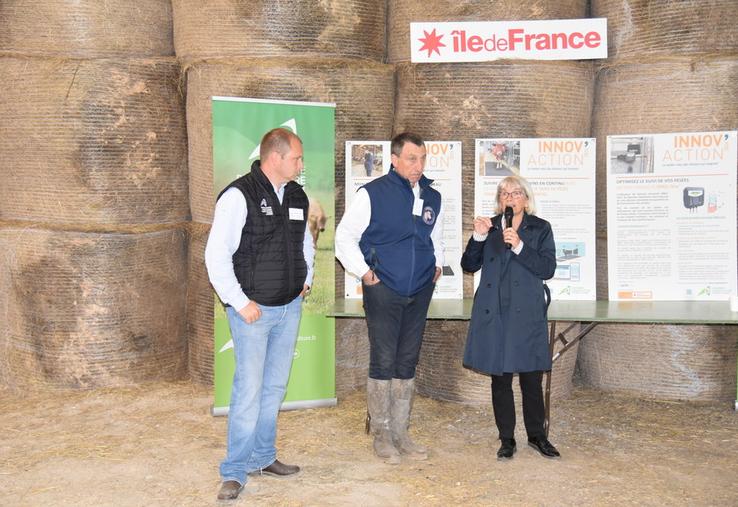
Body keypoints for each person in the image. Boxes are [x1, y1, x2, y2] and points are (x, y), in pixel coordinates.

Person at [205, 128, 314, 501]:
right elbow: (216, 257)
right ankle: (235, 472)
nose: (301, 165)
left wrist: (307, 280)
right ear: (275, 158)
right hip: (253, 311)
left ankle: (263, 457)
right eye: (297, 159)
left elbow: (306, 243)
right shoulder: (238, 196)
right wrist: (239, 302)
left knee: (274, 388)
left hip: (289, 307)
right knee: (248, 391)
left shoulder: (297, 194)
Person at [336, 132, 444, 464]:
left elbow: (433, 234)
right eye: (412, 158)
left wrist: (437, 265)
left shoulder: (432, 195)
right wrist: (365, 273)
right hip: (384, 288)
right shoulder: (372, 194)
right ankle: (382, 434)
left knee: (407, 359)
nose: (418, 165)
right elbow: (344, 236)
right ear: (394, 159)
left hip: (420, 289)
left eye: (423, 158)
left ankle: (401, 431)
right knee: (383, 359)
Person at [460, 174, 560, 461]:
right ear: (499, 200)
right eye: (504, 193)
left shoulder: (540, 229)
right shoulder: (489, 227)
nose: (509, 198)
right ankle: (506, 439)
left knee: (531, 379)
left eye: (516, 193)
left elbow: (547, 268)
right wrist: (478, 238)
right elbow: (469, 264)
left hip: (526, 314)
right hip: (496, 313)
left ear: (526, 200)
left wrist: (519, 247)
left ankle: (537, 436)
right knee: (500, 381)